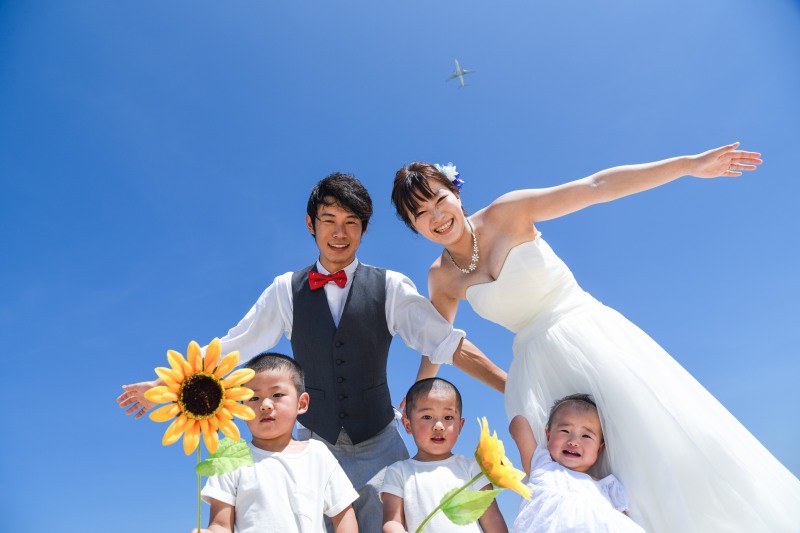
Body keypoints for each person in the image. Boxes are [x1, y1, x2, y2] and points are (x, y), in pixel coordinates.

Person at [390, 143, 800, 532]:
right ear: (413, 227)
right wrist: (416, 398)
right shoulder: (440, 278)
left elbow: (596, 187)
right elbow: (437, 343)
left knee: (655, 450)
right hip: (536, 379)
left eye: (439, 199)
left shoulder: (507, 212)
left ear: (456, 193)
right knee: (573, 492)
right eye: (420, 214)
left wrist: (689, 165)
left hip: (591, 338)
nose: (436, 216)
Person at [120, 172, 506, 533]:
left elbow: (447, 342)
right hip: (312, 448)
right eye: (329, 220)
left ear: (364, 229)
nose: (340, 233)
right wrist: (166, 385)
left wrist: (510, 385)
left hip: (380, 444)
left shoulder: (391, 286)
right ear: (311, 224)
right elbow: (236, 345)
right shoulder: (285, 289)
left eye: (351, 222)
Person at [194, 352, 358, 533]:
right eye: (253, 398)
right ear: (241, 408)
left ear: (301, 404)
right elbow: (221, 524)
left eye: (277, 394)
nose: (265, 405)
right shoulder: (228, 458)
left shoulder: (317, 454)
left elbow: (343, 516)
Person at [382, 377, 508, 533]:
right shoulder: (398, 472)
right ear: (408, 425)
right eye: (427, 417)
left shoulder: (471, 468)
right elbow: (392, 521)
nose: (439, 426)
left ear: (460, 426)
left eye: (448, 417)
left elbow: (492, 519)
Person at [509, 394, 643, 532]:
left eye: (586, 436)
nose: (573, 441)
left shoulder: (607, 486)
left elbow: (620, 524)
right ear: (548, 436)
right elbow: (519, 423)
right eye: (564, 430)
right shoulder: (542, 465)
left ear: (600, 448)